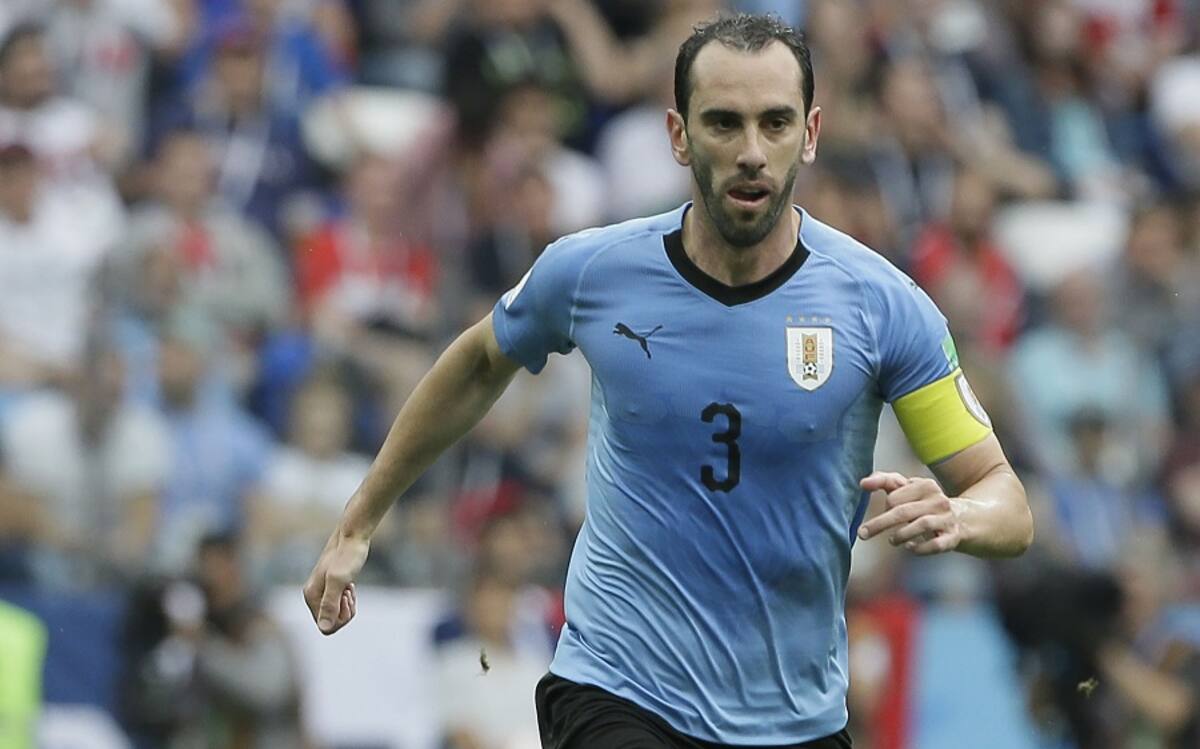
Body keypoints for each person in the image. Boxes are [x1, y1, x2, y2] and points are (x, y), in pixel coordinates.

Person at [305, 14, 1033, 748]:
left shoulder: (883, 305)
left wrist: (960, 516)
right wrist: (356, 523)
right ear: (679, 135)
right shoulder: (594, 271)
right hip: (618, 690)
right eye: (724, 123)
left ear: (810, 134)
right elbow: (475, 364)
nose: (752, 152)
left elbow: (1006, 500)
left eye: (775, 123)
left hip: (796, 718)